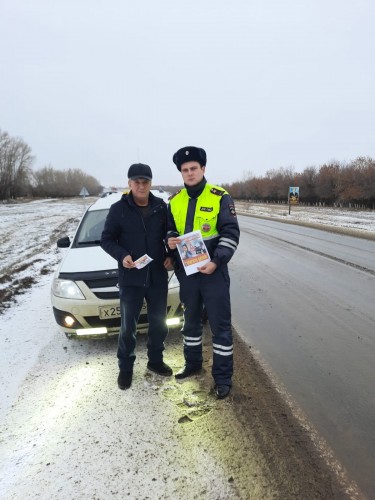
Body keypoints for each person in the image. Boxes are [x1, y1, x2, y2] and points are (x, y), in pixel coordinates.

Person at [166, 146, 240, 399]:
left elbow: (231, 235)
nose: (189, 173)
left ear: (203, 169)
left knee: (220, 327)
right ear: (181, 173)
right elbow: (170, 232)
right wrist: (170, 242)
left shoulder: (220, 197)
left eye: (194, 168)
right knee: (191, 323)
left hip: (213, 274)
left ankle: (222, 379)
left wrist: (217, 262)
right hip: (187, 275)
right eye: (185, 170)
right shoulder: (174, 201)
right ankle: (193, 364)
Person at [101, 163, 173, 390]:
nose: (141, 186)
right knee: (128, 326)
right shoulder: (118, 209)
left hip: (157, 277)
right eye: (137, 182)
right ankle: (126, 367)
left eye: (145, 182)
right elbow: (107, 240)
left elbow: (170, 235)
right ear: (129, 183)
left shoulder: (162, 207)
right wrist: (122, 256)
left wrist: (171, 256)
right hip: (131, 278)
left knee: (159, 324)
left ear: (151, 183)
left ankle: (155, 361)